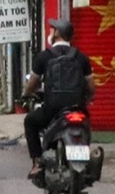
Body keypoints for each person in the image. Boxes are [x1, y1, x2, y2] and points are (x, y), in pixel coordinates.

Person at [21, 18, 94, 185]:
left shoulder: (44, 57)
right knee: (86, 127)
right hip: (77, 109)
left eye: (52, 30)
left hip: (52, 110)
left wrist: (26, 93)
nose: (49, 33)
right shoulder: (81, 58)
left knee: (30, 121)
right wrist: (87, 98)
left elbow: (32, 84)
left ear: (57, 34)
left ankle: (37, 163)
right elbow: (91, 87)